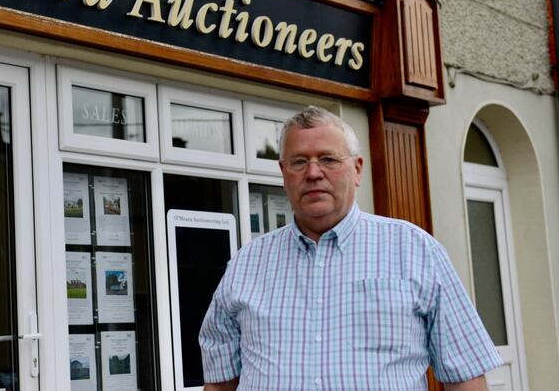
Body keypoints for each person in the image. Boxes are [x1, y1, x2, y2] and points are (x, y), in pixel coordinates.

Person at [199, 106, 502, 391]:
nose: (314, 172)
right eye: (299, 161)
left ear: (357, 169)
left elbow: (465, 376)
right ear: (283, 172)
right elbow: (220, 380)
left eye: (328, 159)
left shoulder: (414, 251)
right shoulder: (246, 264)